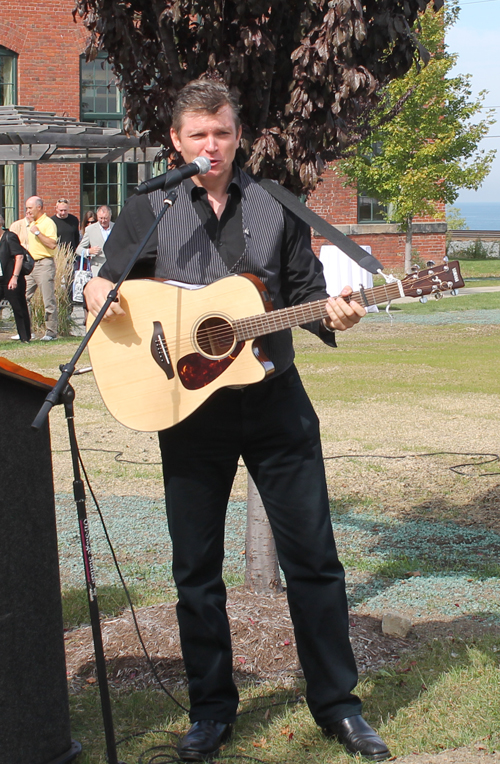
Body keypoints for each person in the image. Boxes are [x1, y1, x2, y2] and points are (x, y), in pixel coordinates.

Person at [84, 79, 391, 763]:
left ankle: (339, 707)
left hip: (276, 401)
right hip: (187, 407)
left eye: (221, 132)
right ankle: (211, 711)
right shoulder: (150, 205)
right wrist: (99, 291)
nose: (210, 145)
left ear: (237, 134)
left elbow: (309, 294)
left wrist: (336, 309)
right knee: (196, 567)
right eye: (197, 135)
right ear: (176, 141)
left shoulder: (275, 205)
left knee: (314, 559)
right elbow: (105, 280)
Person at [12, 197, 58, 341]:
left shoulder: (48, 223)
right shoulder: (32, 224)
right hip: (31, 265)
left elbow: (52, 244)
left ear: (39, 207)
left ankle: (51, 333)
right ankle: (27, 331)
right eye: (26, 208)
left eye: (30, 208)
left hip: (44, 264)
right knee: (23, 297)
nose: (28, 211)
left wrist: (37, 233)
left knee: (48, 299)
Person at [0, 213, 31, 342]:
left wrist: (15, 277)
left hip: (11, 278)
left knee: (18, 307)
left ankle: (25, 337)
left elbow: (19, 256)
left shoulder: (9, 237)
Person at [76, 205, 113, 277]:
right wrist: (89, 251)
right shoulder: (90, 229)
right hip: (97, 267)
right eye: (100, 218)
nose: (103, 221)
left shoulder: (116, 227)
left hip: (113, 267)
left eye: (105, 218)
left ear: (110, 216)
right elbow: (78, 250)